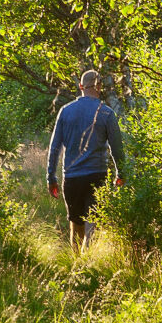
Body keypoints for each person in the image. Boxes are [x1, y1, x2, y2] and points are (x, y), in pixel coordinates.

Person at [47, 68, 127, 249]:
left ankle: (76, 263)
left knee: (76, 225)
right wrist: (120, 174)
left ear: (81, 86)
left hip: (72, 178)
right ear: (99, 87)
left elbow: (54, 147)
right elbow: (117, 149)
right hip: (97, 176)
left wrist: (51, 177)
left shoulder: (65, 111)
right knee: (93, 224)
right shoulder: (106, 113)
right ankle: (88, 262)